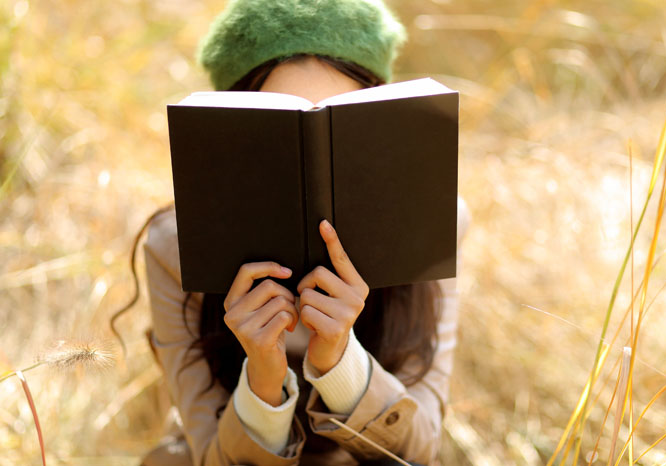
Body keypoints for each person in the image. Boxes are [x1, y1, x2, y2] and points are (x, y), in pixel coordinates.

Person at [130, 1, 469, 465]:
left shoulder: (436, 223)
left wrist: (339, 361)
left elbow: (421, 447)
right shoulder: (173, 247)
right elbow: (209, 454)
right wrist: (263, 379)